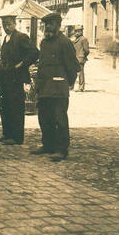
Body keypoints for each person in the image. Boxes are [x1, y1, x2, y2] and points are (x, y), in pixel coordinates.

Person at [31, 12, 80, 161]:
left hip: (58, 89)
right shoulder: (44, 43)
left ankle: (61, 149)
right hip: (45, 87)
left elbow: (73, 67)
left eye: (51, 25)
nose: (48, 28)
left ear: (58, 26)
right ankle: (48, 145)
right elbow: (42, 65)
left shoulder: (64, 42)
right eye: (46, 25)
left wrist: (67, 83)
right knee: (44, 118)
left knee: (60, 119)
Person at [0, 14, 39, 145]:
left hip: (16, 77)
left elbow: (34, 53)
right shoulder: (6, 38)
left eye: (9, 24)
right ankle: (6, 133)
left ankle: (17, 137)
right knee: (5, 105)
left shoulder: (21, 37)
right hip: (5, 77)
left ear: (14, 23)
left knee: (16, 106)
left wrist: (21, 64)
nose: (6, 27)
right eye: (4, 25)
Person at [71, 25, 90, 92]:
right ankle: (71, 86)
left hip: (80, 58)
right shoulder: (75, 39)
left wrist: (83, 56)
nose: (77, 33)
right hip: (74, 58)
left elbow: (86, 50)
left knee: (80, 73)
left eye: (78, 31)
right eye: (76, 31)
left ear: (81, 31)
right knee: (73, 72)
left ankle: (81, 87)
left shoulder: (83, 39)